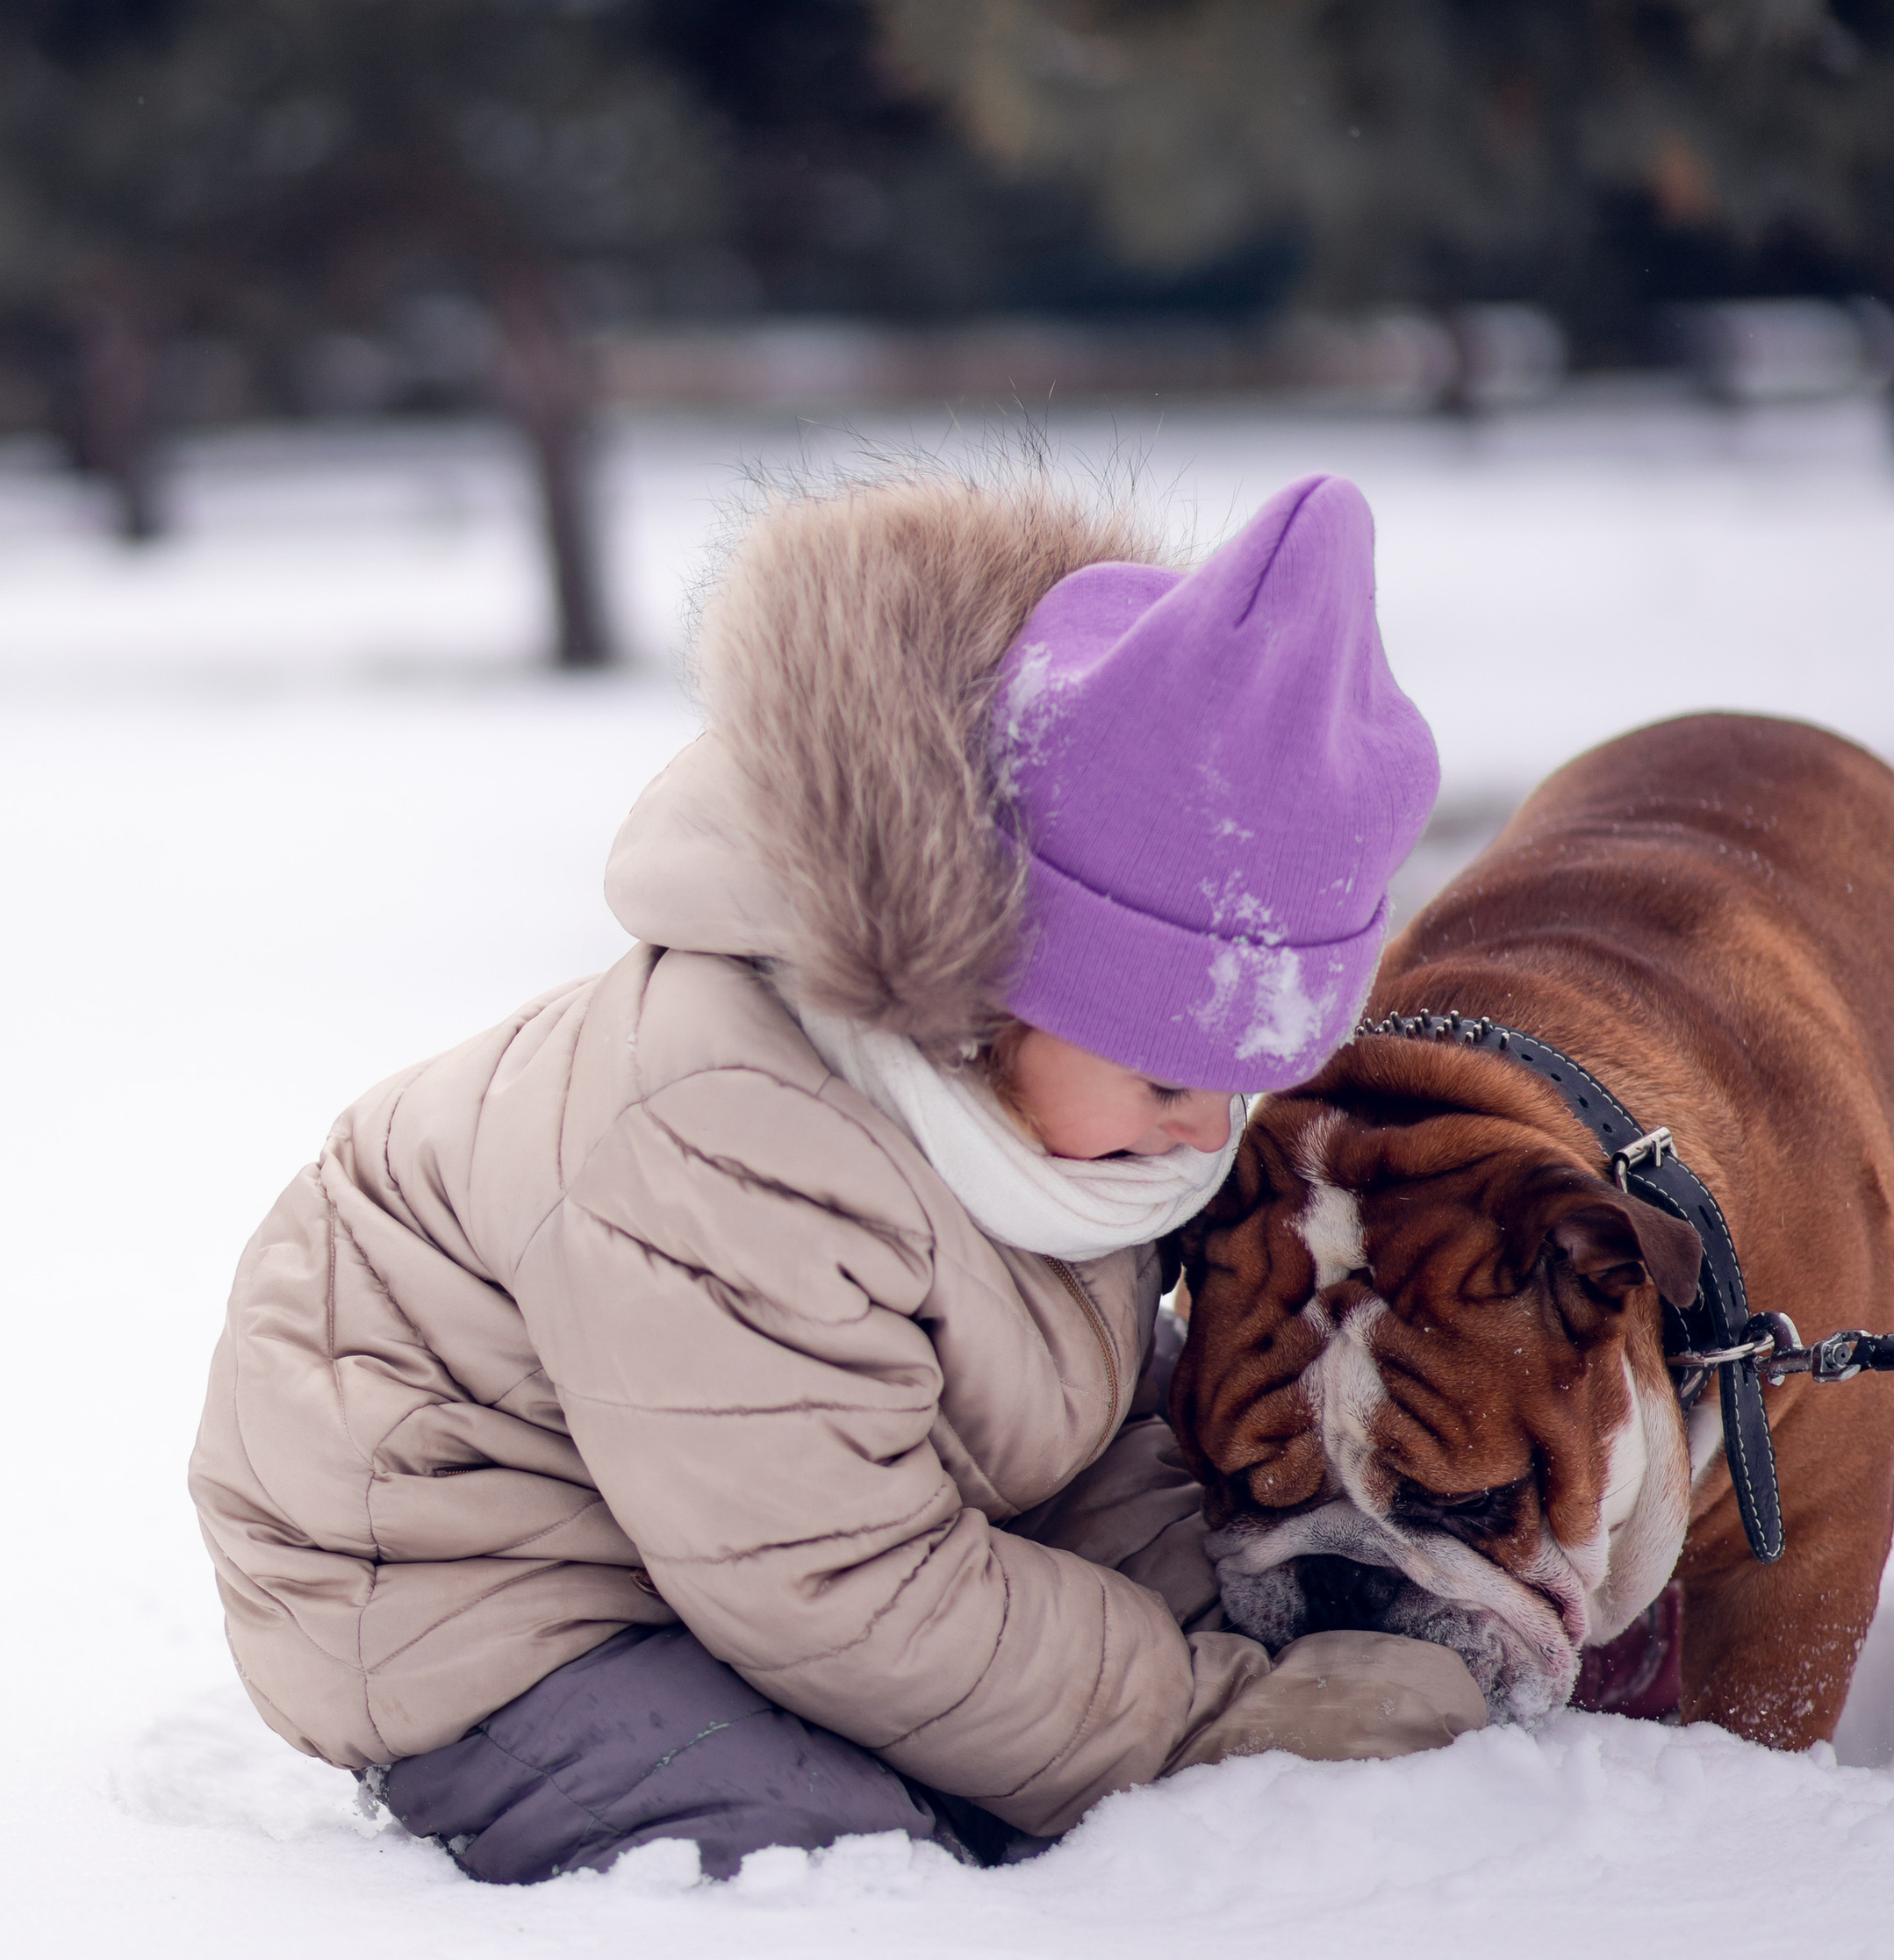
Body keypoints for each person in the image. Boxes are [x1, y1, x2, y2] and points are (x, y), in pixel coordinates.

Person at [190, 466, 1486, 1884]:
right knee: (840, 1864)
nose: (1203, 1130)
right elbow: (838, 1589)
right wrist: (1205, 1715)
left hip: (745, 1521)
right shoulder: (730, 1135)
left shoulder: (1052, 1116)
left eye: (1243, 1083)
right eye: (1170, 1078)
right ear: (991, 992)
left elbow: (1059, 1430)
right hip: (469, 1583)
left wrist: (1235, 1597)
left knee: (990, 1743)